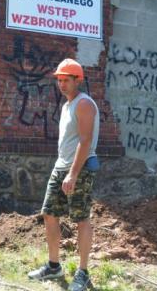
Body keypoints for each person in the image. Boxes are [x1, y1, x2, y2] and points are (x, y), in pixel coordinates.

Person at [27, 58, 100, 291]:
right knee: (49, 213)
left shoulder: (84, 104)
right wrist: (64, 170)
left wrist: (73, 174)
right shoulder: (67, 105)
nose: (61, 84)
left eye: (66, 80)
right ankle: (53, 266)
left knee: (81, 218)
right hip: (61, 167)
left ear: (77, 80)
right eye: (59, 80)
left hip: (79, 169)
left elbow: (86, 141)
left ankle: (83, 272)